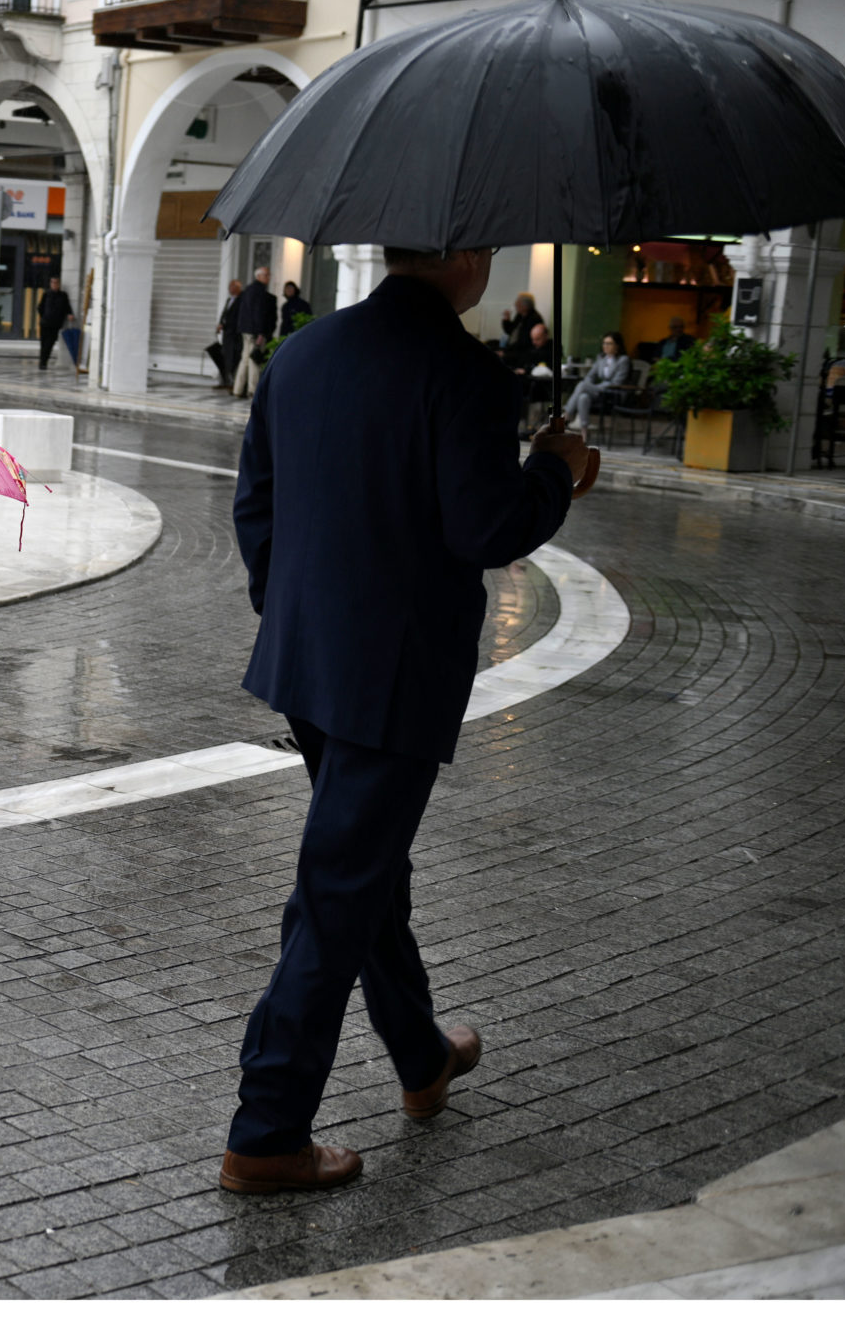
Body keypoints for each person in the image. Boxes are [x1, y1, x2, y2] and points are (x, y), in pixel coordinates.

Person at [220, 245, 598, 1195]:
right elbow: (485, 528)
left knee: (366, 868)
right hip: (393, 676)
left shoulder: (302, 353)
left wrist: (293, 608)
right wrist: (552, 472)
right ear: (463, 255)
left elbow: (253, 502)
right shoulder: (468, 374)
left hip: (309, 660)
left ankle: (421, 1056)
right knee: (340, 889)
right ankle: (267, 1127)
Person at [563, 331, 631, 432]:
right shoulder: (601, 358)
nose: (605, 346)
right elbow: (590, 376)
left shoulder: (623, 360)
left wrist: (596, 386)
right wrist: (591, 385)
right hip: (599, 393)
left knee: (582, 385)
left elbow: (617, 382)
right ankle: (584, 434)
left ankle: (567, 414)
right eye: (604, 343)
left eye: (609, 343)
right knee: (583, 397)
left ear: (617, 345)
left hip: (613, 394)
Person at [233, 266, 278, 397]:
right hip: (253, 331)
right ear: (259, 276)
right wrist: (260, 333)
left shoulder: (248, 289)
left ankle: (238, 388)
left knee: (245, 359)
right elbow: (258, 313)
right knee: (254, 359)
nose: (268, 278)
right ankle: (253, 390)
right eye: (266, 275)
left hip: (245, 330)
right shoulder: (259, 291)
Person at [209, 279, 244, 388]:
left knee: (233, 358)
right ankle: (224, 380)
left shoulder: (241, 301)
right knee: (224, 356)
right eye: (229, 287)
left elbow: (236, 318)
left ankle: (232, 381)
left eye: (232, 286)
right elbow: (225, 315)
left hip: (235, 335)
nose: (230, 289)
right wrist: (220, 324)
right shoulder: (229, 300)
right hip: (227, 335)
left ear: (238, 288)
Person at [36, 277, 76, 372]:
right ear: (50, 283)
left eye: (56, 282)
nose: (54, 284)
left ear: (59, 284)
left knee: (50, 343)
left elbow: (67, 306)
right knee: (43, 343)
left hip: (55, 324)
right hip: (45, 323)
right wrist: (44, 316)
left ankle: (43, 362)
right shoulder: (46, 294)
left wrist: (70, 314)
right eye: (53, 282)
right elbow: (40, 307)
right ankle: (42, 362)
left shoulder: (63, 295)